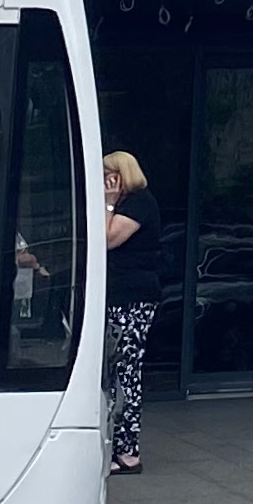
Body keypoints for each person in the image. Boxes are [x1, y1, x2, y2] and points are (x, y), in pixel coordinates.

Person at [101, 151, 167, 474]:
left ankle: (128, 451)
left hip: (134, 299)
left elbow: (108, 238)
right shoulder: (130, 204)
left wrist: (110, 203)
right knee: (116, 371)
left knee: (126, 370)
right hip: (120, 296)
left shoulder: (139, 203)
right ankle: (116, 444)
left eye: (106, 176)